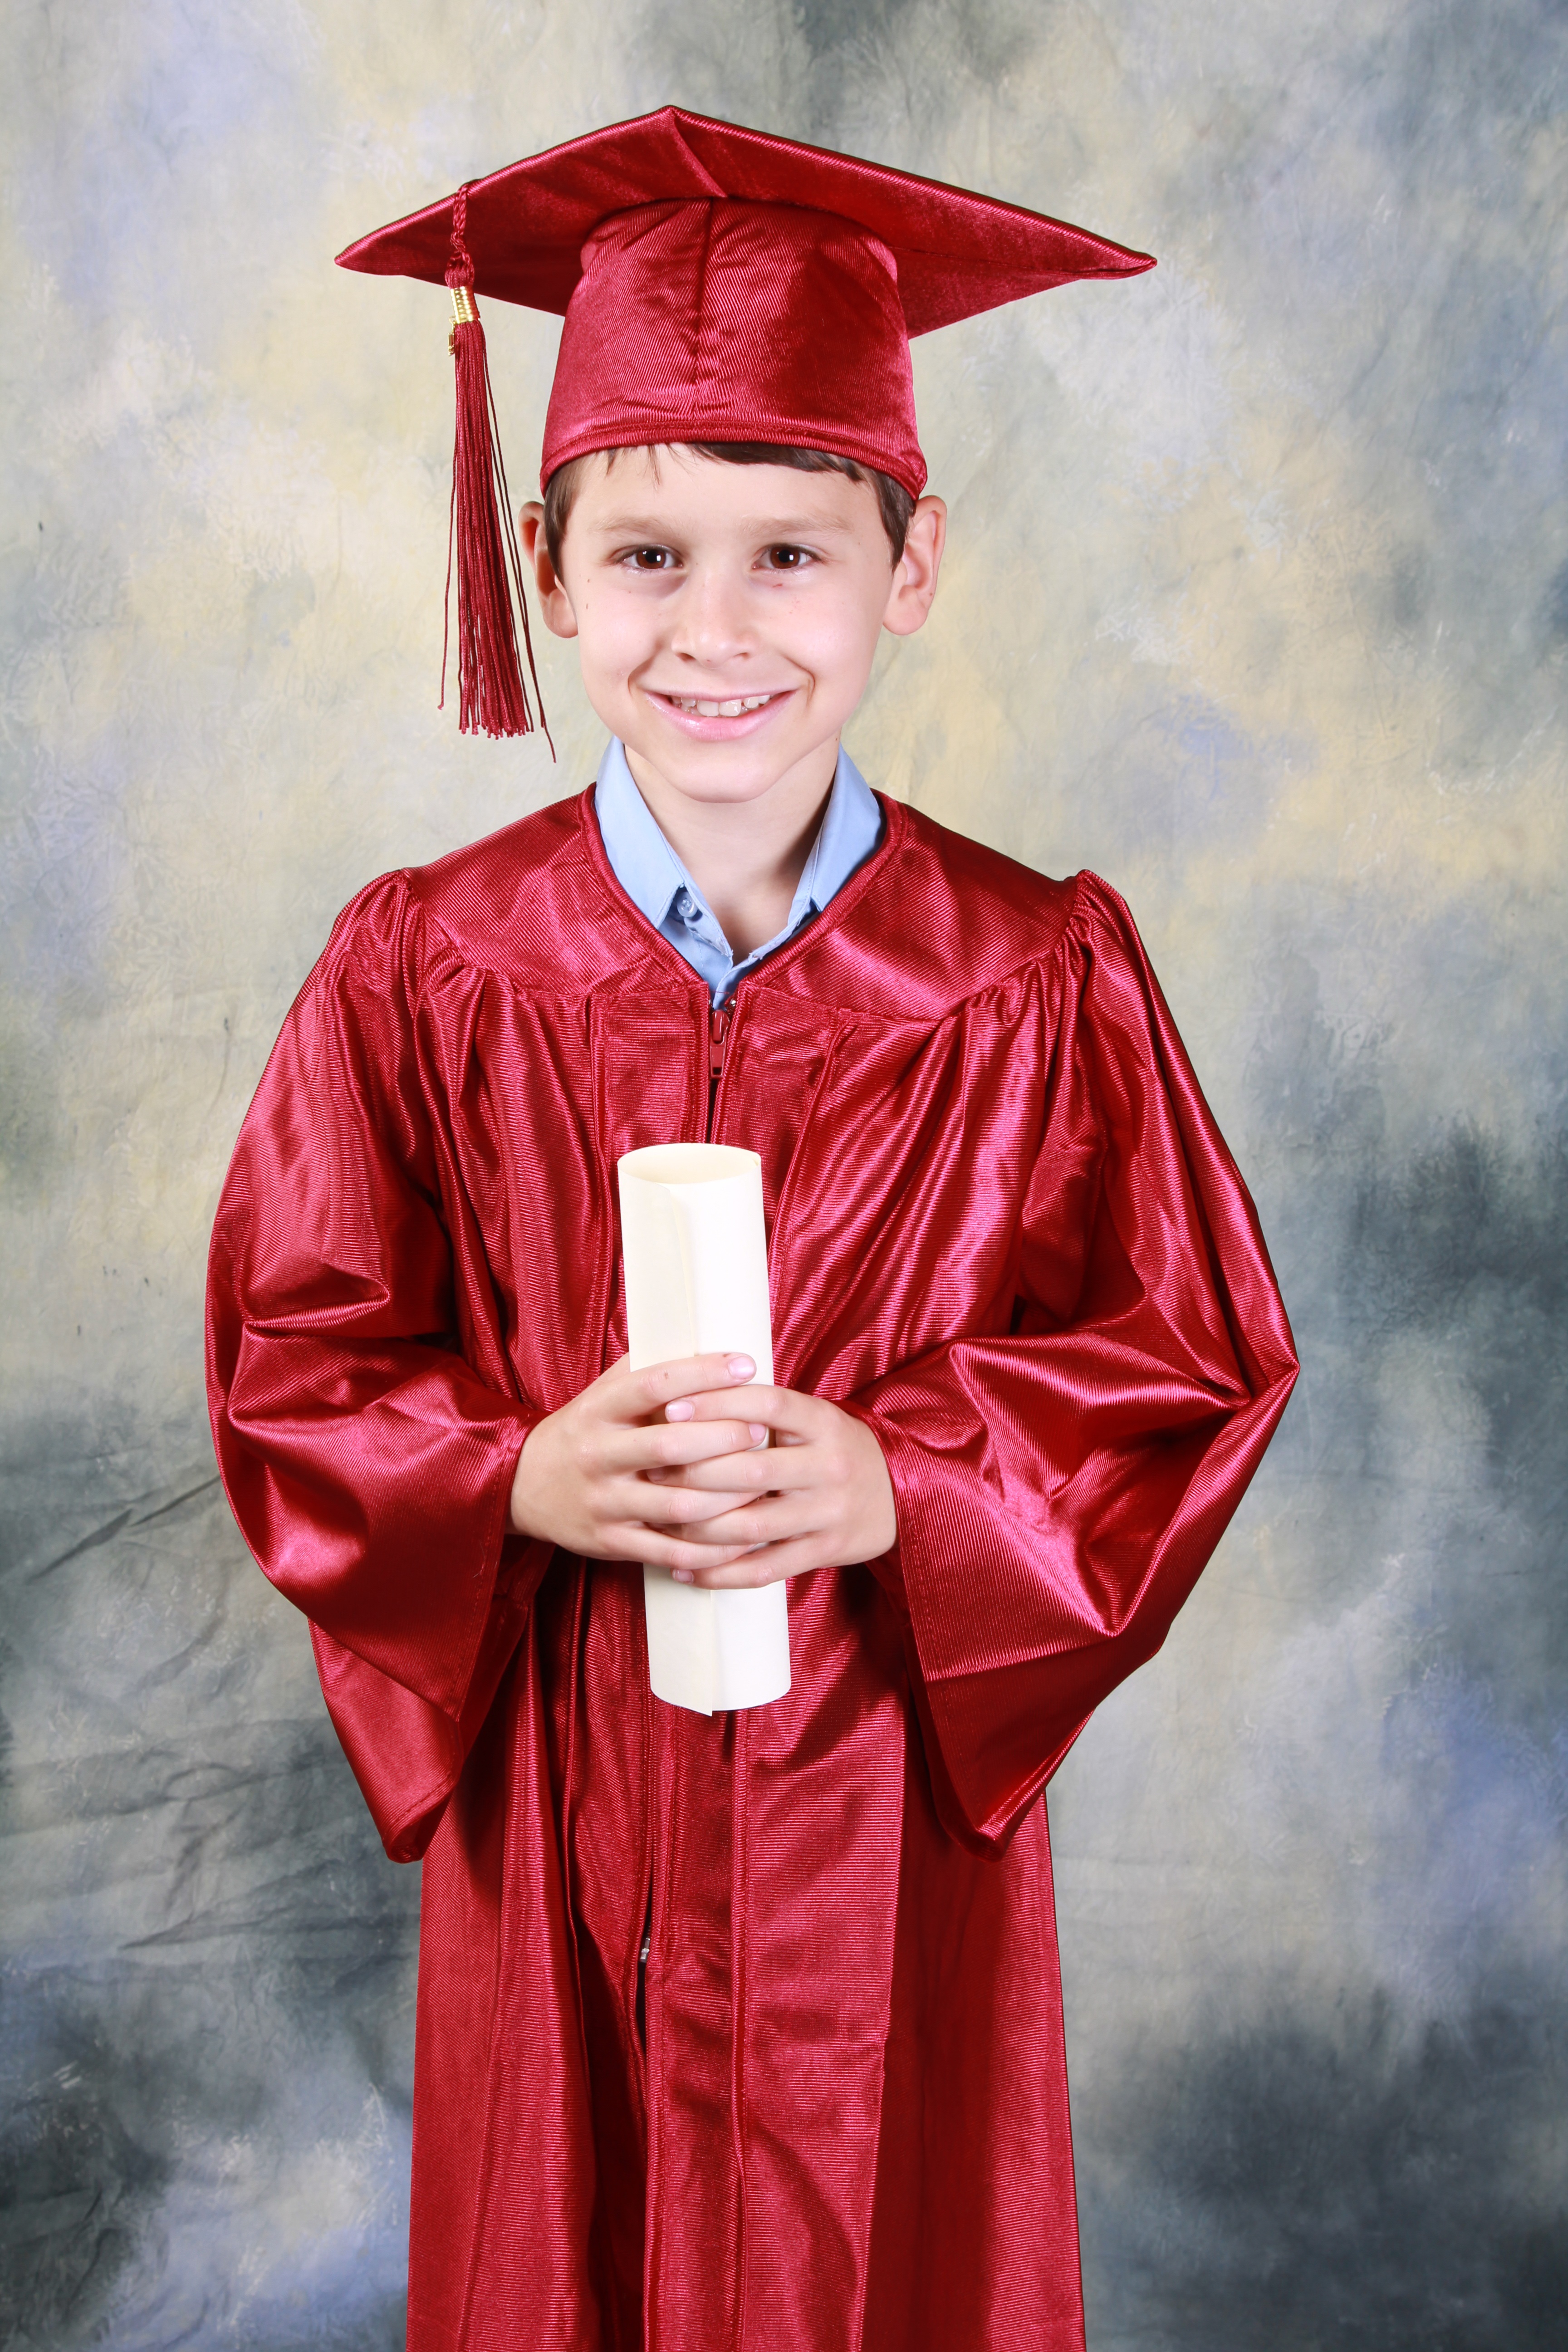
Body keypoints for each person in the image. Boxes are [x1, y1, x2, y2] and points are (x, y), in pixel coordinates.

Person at [206, 108, 1297, 2352]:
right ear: (547, 563)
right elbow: (295, 1359)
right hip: (568, 1810)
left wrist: (915, 1480)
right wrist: (508, 1476)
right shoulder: (427, 964)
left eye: (791, 556)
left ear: (912, 569)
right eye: (649, 558)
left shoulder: (1032, 968)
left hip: (876, 1821)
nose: (717, 631)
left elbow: (1189, 1359)